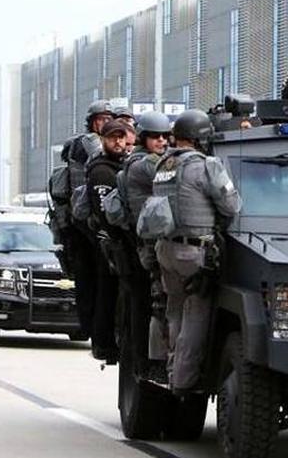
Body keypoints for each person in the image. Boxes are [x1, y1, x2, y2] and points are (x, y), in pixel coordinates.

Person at [149, 109, 241, 394]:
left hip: (165, 249)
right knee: (196, 317)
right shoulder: (206, 166)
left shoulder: (164, 164)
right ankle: (183, 381)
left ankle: (171, 369)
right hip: (193, 254)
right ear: (201, 139)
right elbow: (232, 206)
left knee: (175, 312)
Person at [115, 110, 172, 379]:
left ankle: (149, 362)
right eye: (155, 137)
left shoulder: (142, 161)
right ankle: (149, 363)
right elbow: (178, 173)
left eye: (165, 136)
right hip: (149, 246)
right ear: (143, 138)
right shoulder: (144, 164)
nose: (162, 141)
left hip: (152, 243)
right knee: (154, 306)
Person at [60, 99, 114, 340]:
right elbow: (101, 154)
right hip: (82, 223)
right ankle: (90, 327)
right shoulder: (87, 143)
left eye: (109, 119)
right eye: (101, 120)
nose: (105, 124)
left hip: (91, 218)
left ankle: (94, 327)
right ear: (92, 122)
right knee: (88, 278)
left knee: (97, 279)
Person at [84, 120, 130, 362]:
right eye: (113, 137)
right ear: (102, 140)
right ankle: (104, 344)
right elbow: (105, 213)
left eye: (121, 137)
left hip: (114, 240)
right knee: (108, 293)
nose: (118, 142)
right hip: (108, 241)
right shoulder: (102, 170)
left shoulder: (119, 165)